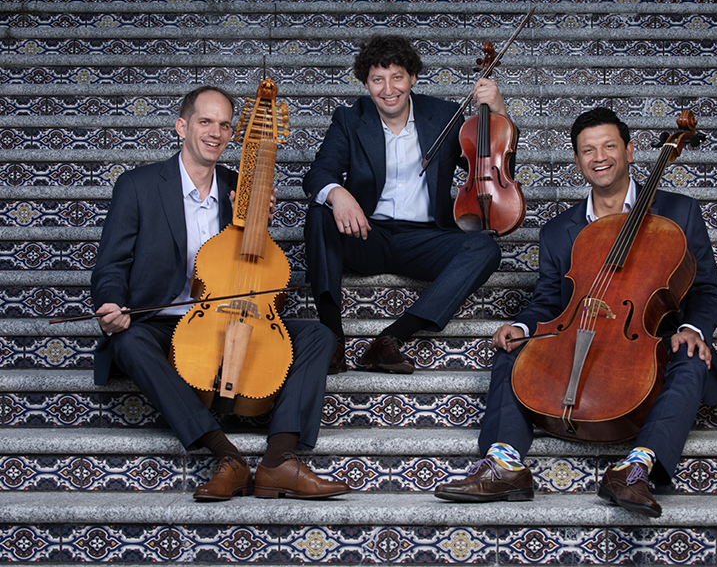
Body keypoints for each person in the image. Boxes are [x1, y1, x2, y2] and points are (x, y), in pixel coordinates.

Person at [434, 106, 717, 517]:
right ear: (577, 161)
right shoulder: (558, 231)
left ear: (629, 151)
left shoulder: (679, 212)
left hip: (646, 345)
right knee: (513, 348)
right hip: (579, 331)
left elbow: (704, 290)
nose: (600, 157)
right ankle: (503, 464)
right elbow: (548, 301)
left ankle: (636, 469)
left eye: (609, 146)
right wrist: (521, 325)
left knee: (691, 354)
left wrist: (693, 329)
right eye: (588, 150)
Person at [91, 85, 350, 502]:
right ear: (182, 126)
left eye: (225, 125)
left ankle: (279, 460)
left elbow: (254, 267)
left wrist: (257, 225)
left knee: (319, 335)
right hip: (164, 321)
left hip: (232, 313)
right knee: (128, 341)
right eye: (205, 121)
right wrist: (110, 303)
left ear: (233, 133)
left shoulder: (240, 186)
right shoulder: (138, 185)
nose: (215, 132)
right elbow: (111, 264)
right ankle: (225, 455)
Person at [303, 34, 506, 375]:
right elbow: (318, 174)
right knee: (319, 214)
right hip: (368, 234)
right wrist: (338, 194)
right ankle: (332, 339)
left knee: (484, 248)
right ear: (365, 84)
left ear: (412, 77)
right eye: (377, 79)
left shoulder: (443, 115)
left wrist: (497, 111)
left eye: (397, 77)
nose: (388, 89)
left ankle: (390, 339)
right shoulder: (349, 119)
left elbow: (489, 164)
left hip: (425, 240)